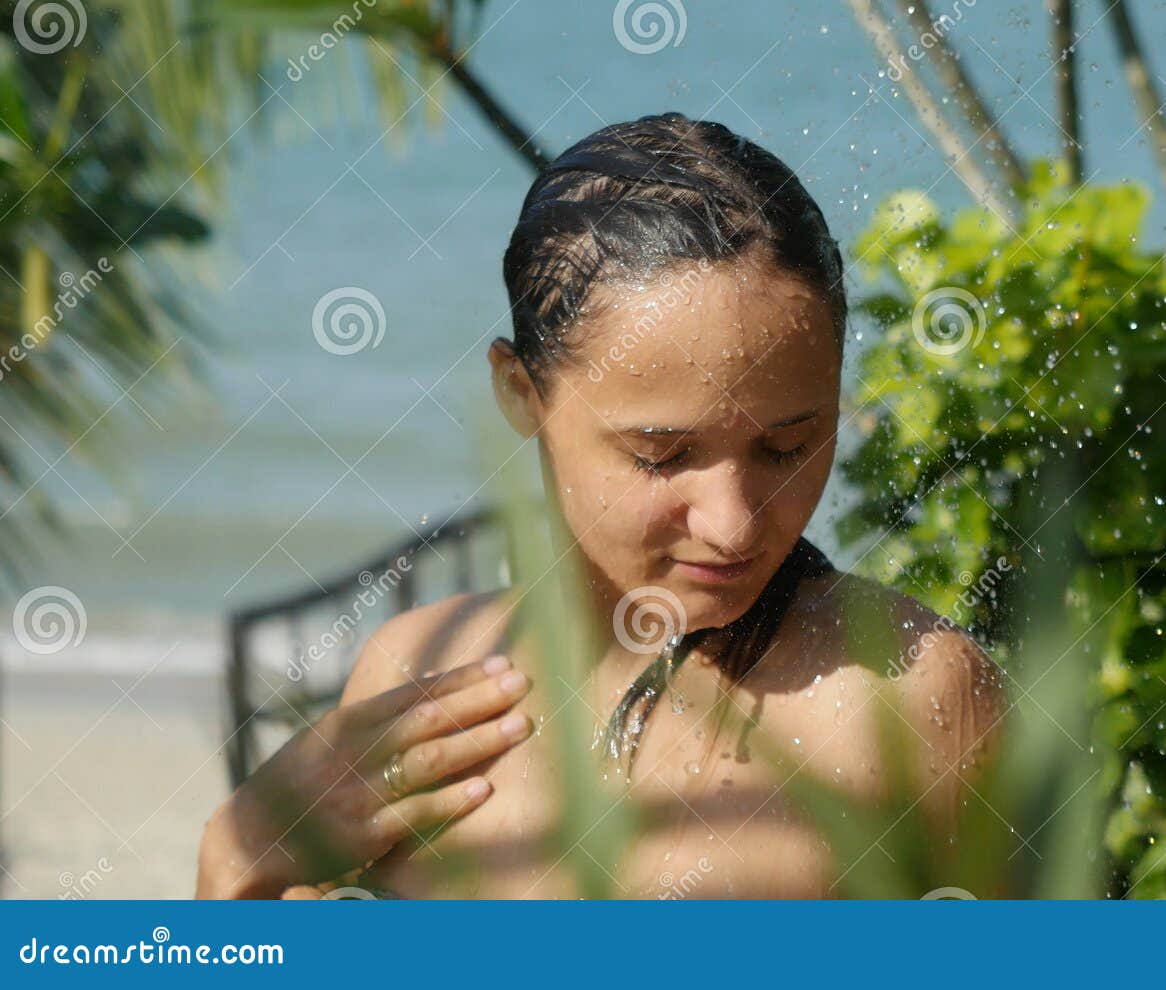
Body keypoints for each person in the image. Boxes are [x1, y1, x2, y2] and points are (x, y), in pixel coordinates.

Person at [195, 113, 1003, 899]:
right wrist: (236, 862)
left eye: (788, 447)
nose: (734, 524)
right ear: (520, 392)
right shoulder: (412, 673)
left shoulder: (906, 699)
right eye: (661, 455)